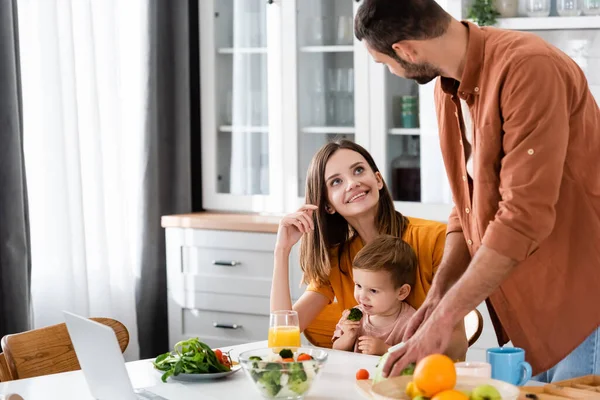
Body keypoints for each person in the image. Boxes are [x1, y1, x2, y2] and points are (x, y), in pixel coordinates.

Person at [354, 0, 600, 382]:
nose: (391, 71)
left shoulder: (529, 68)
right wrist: (436, 300)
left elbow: (523, 217)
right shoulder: (447, 91)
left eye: (385, 63)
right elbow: (465, 208)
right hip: (530, 312)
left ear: (405, 50)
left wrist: (448, 316)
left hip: (583, 305)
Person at [270, 139, 468, 360]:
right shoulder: (337, 260)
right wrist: (282, 250)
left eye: (358, 170)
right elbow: (283, 330)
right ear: (328, 205)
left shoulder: (435, 239)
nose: (352, 183)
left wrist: (390, 352)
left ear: (378, 179)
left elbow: (457, 348)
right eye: (336, 181)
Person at [332, 235, 417, 356]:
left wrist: (386, 350)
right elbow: (335, 349)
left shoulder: (411, 322)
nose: (362, 296)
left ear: (401, 292)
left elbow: (417, 357)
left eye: (373, 290)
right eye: (358, 286)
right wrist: (348, 337)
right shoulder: (353, 316)